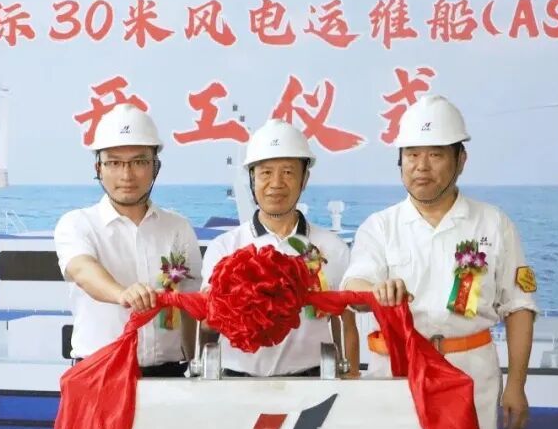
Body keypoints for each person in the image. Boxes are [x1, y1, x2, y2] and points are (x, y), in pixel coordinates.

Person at [341, 94, 537, 429]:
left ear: (460, 160)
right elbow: (353, 288)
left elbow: (519, 307)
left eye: (435, 155)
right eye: (412, 155)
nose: (422, 166)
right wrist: (376, 291)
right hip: (397, 374)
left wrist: (516, 384)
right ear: (399, 161)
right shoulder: (380, 226)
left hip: (470, 373)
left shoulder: (493, 223)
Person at [201, 119, 360, 377]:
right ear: (252, 178)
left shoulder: (333, 248)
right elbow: (207, 323)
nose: (276, 183)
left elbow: (347, 322)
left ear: (305, 178)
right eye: (265, 173)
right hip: (235, 382)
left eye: (287, 172)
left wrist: (351, 379)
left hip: (311, 381)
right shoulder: (224, 248)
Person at [54, 104, 202, 377]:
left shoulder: (177, 227)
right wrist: (121, 294)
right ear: (98, 168)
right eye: (114, 162)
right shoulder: (77, 223)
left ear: (155, 166)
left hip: (169, 376)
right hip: (100, 375)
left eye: (139, 162)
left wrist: (196, 366)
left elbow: (191, 304)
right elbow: (83, 270)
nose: (127, 175)